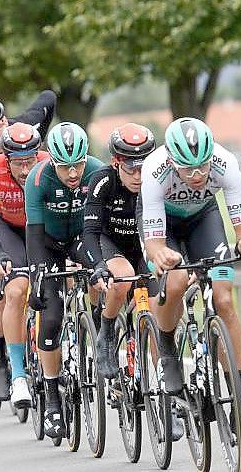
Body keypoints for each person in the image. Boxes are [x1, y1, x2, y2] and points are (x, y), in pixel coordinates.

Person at [138, 117, 241, 443]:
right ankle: (166, 349)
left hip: (203, 221)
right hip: (163, 225)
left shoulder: (226, 164)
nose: (197, 177)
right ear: (171, 161)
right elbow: (153, 244)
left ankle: (239, 402)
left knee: (223, 298)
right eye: (187, 170)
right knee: (177, 283)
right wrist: (160, 255)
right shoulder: (154, 170)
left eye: (202, 168)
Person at [24, 122, 104, 437]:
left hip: (82, 238)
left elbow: (100, 226)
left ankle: (99, 328)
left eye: (78, 165)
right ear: (52, 162)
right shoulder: (38, 178)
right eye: (65, 167)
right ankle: (53, 399)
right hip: (47, 243)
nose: (73, 173)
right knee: (52, 315)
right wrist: (35, 278)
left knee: (103, 274)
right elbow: (32, 233)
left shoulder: (96, 171)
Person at [0, 122, 50, 407]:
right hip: (7, 230)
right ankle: (18, 374)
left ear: (38, 154)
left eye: (29, 160)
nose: (24, 170)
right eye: (17, 163)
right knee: (16, 289)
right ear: (6, 159)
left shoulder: (48, 165)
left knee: (64, 279)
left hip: (41, 226)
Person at [82, 124, 157, 378]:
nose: (138, 176)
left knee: (157, 306)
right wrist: (98, 265)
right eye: (131, 169)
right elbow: (90, 232)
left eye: (143, 168)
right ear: (116, 163)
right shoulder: (103, 180)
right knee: (122, 278)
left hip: (144, 244)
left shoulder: (157, 180)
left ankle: (164, 384)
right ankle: (107, 331)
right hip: (110, 242)